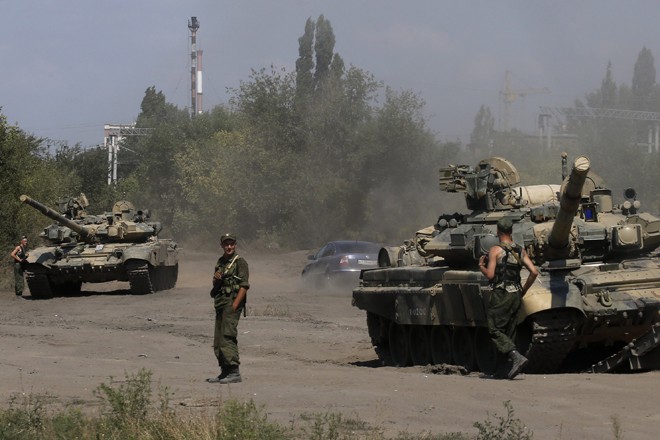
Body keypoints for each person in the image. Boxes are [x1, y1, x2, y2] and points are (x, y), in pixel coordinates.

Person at [478, 218, 538, 379]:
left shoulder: (495, 250)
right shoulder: (520, 250)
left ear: (498, 232)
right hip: (516, 295)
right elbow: (534, 272)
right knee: (510, 331)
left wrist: (481, 267)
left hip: (501, 294)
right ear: (511, 231)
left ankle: (514, 355)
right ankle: (503, 370)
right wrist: (523, 290)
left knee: (495, 329)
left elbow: (490, 275)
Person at [207, 233, 249, 384]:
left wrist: (234, 306)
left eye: (231, 244)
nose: (229, 247)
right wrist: (216, 279)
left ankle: (234, 371)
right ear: (222, 246)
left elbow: (244, 286)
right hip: (220, 303)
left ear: (235, 245)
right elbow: (215, 285)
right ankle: (224, 371)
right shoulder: (221, 262)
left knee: (227, 336)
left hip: (231, 303)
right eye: (226, 244)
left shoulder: (240, 262)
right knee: (218, 339)